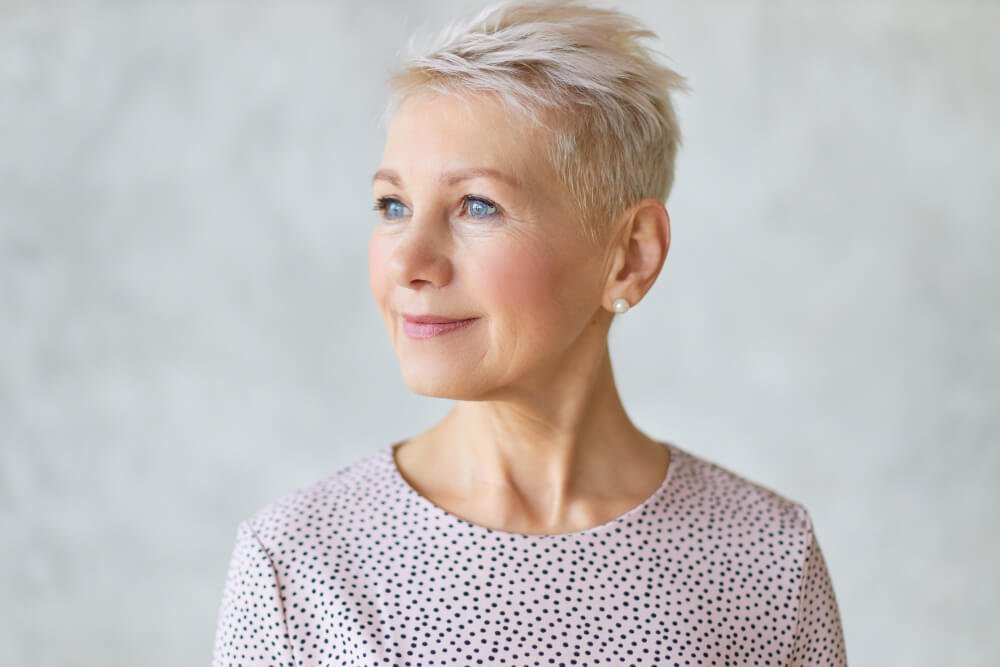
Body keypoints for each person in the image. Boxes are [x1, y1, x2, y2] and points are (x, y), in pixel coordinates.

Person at [212, 1, 847, 665]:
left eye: (477, 205)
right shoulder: (295, 562)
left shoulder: (767, 556)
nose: (408, 261)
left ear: (630, 254)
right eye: (392, 205)